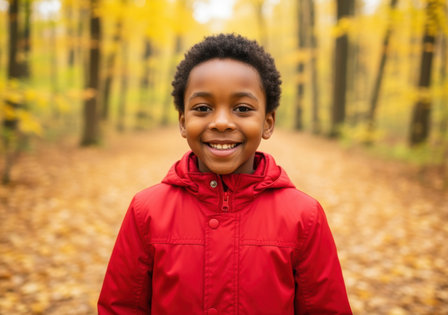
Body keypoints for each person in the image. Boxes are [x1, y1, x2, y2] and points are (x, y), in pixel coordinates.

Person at [98, 33, 352, 315]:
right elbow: (120, 307)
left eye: (242, 109)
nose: (221, 123)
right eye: (203, 108)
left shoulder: (304, 217)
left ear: (268, 123)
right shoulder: (146, 212)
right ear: (183, 122)